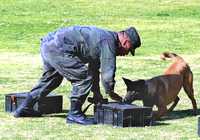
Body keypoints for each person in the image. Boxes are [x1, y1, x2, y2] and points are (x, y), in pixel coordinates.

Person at [14, 25, 141, 125]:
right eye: (130, 50)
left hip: (49, 45)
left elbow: (94, 69)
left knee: (52, 80)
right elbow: (107, 74)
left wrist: (97, 94)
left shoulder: (104, 38)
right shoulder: (109, 42)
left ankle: (24, 108)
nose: (127, 53)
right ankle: (74, 114)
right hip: (59, 48)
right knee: (83, 78)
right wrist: (110, 92)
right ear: (126, 42)